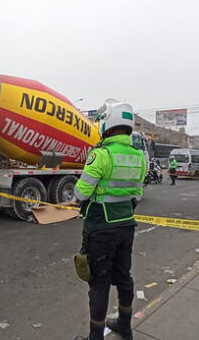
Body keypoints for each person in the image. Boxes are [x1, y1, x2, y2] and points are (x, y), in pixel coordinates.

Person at [73, 99, 147, 340]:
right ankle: (124, 326)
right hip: (127, 226)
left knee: (99, 283)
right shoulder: (138, 157)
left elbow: (81, 192)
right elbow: (137, 194)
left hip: (100, 229)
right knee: (124, 277)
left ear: (108, 126)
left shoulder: (101, 154)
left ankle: (96, 336)